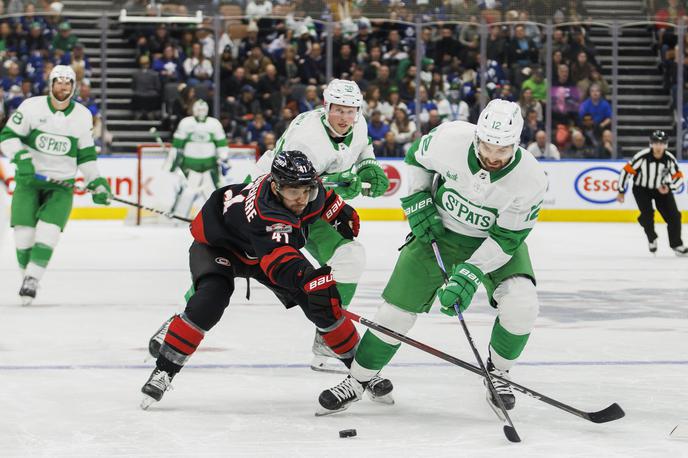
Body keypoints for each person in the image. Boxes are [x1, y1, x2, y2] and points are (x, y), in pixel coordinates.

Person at [317, 99, 547, 416]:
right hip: (438, 234)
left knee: (523, 303)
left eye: (502, 150)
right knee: (393, 315)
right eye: (486, 146)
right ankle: (357, 381)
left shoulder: (531, 179)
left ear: (516, 144)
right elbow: (416, 159)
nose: (492, 157)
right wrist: (418, 198)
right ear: (477, 136)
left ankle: (499, 373)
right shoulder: (450, 137)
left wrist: (471, 274)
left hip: (494, 243)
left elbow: (508, 238)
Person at [140, 150, 393, 409]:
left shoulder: (307, 191)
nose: (301, 199)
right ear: (276, 186)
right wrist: (311, 279)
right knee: (209, 302)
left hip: (263, 249)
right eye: (294, 192)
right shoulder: (267, 212)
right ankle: (164, 370)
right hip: (220, 246)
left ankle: (363, 373)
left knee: (324, 306)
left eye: (306, 190)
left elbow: (322, 196)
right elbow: (280, 264)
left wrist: (338, 210)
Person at [250, 79, 390, 373]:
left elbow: (364, 145)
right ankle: (182, 321)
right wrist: (339, 186)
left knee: (350, 257)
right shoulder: (308, 139)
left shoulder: (357, 123)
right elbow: (292, 186)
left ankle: (329, 337)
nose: (345, 118)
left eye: (351, 111)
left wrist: (369, 165)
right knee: (232, 259)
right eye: (338, 110)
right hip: (273, 203)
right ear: (326, 108)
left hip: (310, 205)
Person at [0, 65, 112, 305]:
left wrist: (97, 182)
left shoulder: (82, 115)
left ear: (74, 87)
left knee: (48, 233)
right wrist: (22, 158)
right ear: (51, 84)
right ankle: (27, 279)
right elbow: (7, 137)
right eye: (59, 82)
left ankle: (31, 279)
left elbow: (86, 155)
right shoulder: (31, 107)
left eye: (68, 82)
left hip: (62, 186)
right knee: (24, 237)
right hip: (28, 182)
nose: (63, 86)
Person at [616, 130, 687, 255]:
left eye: (662, 143)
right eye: (656, 143)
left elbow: (679, 176)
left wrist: (669, 187)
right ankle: (652, 237)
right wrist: (621, 190)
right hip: (641, 189)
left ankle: (677, 245)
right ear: (651, 144)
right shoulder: (642, 156)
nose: (658, 146)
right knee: (648, 215)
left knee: (675, 216)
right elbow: (626, 171)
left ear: (666, 145)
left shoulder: (669, 158)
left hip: (662, 190)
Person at [168, 99, 229, 219]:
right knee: (187, 191)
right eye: (199, 109)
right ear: (194, 110)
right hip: (189, 165)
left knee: (216, 192)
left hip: (210, 165)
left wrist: (223, 157)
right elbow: (177, 145)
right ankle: (179, 216)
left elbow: (221, 143)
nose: (201, 112)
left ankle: (220, 217)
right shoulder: (186, 123)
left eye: (203, 109)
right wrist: (172, 162)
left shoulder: (214, 123)